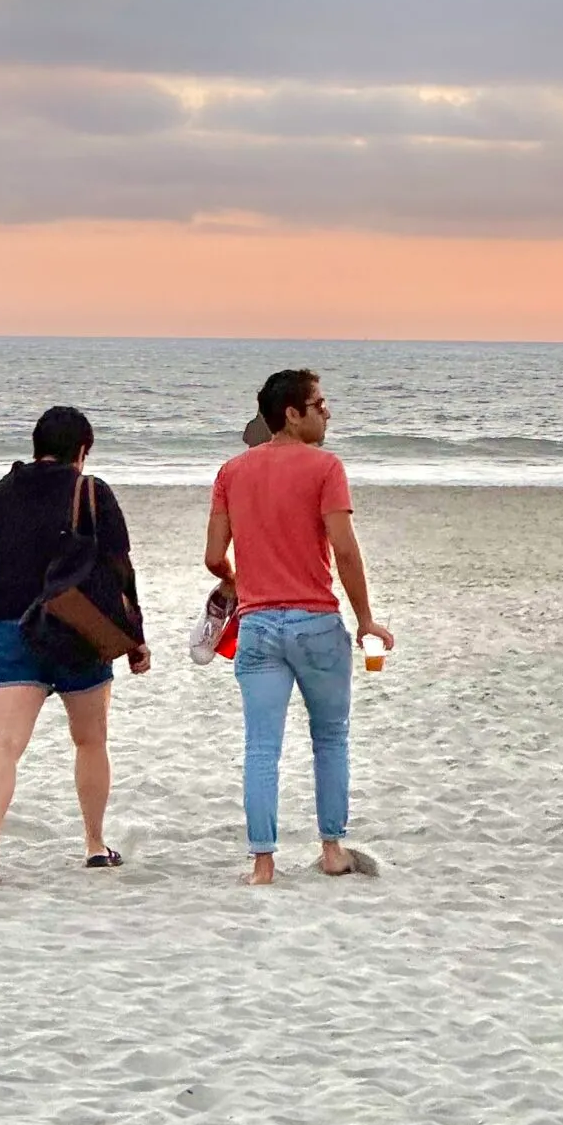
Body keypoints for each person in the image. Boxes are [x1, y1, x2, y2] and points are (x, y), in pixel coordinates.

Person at [206, 368, 394, 884]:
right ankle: (332, 849)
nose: (327, 411)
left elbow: (212, 557)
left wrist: (238, 580)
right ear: (292, 413)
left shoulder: (231, 472)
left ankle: (263, 863)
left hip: (259, 624)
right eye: (319, 403)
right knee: (330, 737)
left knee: (261, 745)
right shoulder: (325, 467)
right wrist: (366, 619)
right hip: (315, 621)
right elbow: (345, 549)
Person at [0, 405, 150, 887]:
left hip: (14, 626)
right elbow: (119, 568)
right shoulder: (92, 492)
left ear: (36, 446)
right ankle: (93, 844)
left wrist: (18, 574)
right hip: (81, 632)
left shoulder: (1, 493)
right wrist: (134, 639)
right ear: (81, 451)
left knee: (4, 745)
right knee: (90, 741)